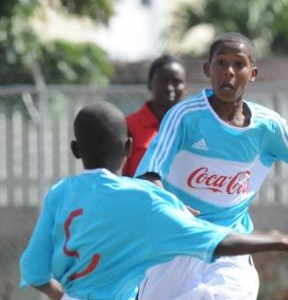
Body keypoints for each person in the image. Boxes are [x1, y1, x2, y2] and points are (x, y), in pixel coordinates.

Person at [20, 101, 288, 300]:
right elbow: (215, 242)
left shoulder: (59, 193)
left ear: (76, 150)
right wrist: (277, 240)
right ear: (128, 147)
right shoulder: (143, 198)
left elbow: (33, 270)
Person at [135, 32, 288, 299]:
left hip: (231, 249)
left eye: (238, 64)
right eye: (221, 63)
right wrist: (172, 203)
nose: (228, 71)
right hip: (176, 244)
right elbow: (149, 176)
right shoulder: (184, 116)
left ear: (252, 73)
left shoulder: (269, 127)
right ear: (208, 69)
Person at [122, 54, 186, 177]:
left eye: (177, 82)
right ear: (150, 85)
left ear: (185, 87)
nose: (169, 88)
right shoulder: (128, 126)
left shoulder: (193, 127)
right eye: (162, 81)